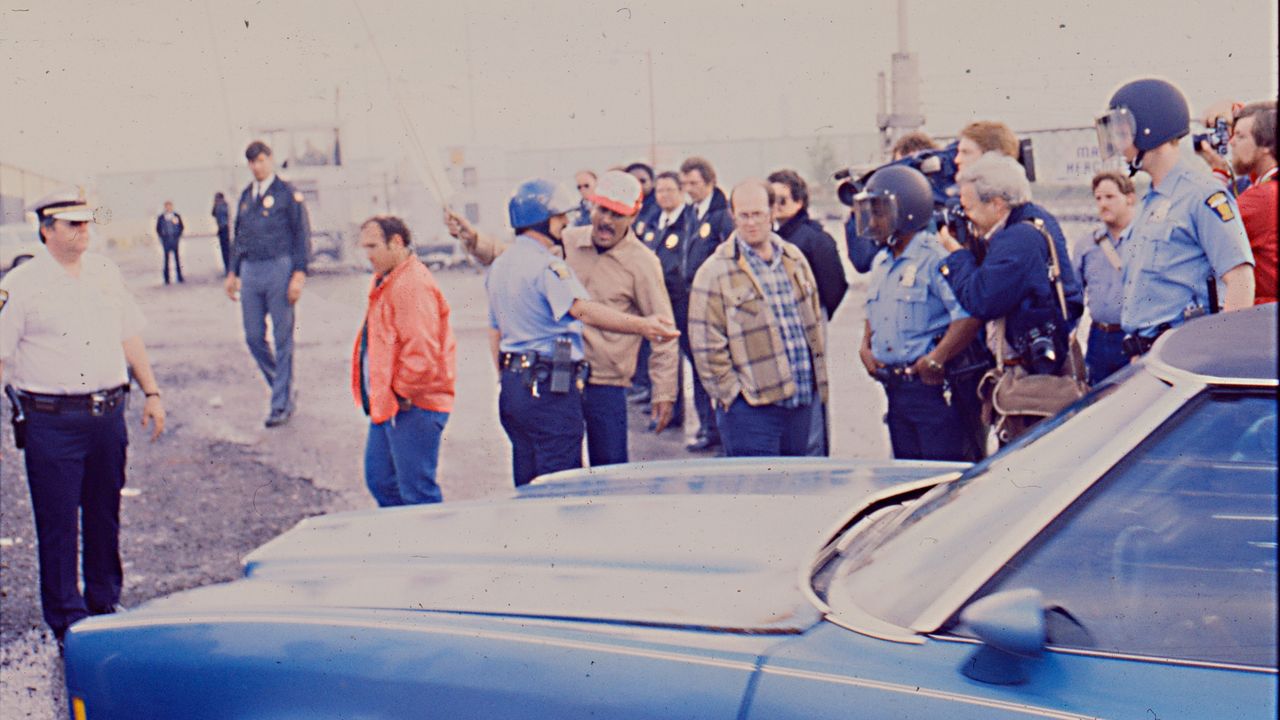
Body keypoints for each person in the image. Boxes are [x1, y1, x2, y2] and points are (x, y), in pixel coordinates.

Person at [0, 189, 166, 653]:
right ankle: (66, 620)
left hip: (106, 416)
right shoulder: (22, 284)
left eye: (87, 223)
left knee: (104, 514)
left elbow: (129, 336)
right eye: (72, 224)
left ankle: (103, 603)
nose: (83, 231)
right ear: (46, 230)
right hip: (51, 421)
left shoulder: (105, 273)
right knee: (57, 523)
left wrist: (152, 392)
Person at [483, 178, 678, 486]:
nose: (606, 220)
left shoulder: (643, 263)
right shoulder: (563, 246)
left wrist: (664, 390)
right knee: (560, 475)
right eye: (602, 210)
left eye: (617, 214)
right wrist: (643, 325)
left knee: (608, 474)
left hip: (603, 383)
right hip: (558, 381)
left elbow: (664, 329)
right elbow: (580, 308)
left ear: (633, 216)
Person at [1094, 78, 1255, 358]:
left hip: (1184, 356)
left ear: (1150, 130)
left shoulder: (1202, 195)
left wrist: (1221, 355)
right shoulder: (1150, 202)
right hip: (1147, 356)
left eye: (1123, 133)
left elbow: (1241, 280)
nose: (1119, 145)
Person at [938, 152, 1084, 443]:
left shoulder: (1019, 239)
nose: (965, 217)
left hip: (1030, 380)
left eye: (968, 208)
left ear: (997, 203)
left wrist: (955, 254)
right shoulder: (1033, 221)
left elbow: (981, 298)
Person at [688, 180, 828, 457]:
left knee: (796, 480)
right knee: (757, 482)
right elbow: (705, 344)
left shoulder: (794, 258)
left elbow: (813, 320)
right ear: (733, 216)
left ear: (772, 212)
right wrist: (732, 394)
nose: (751, 223)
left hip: (800, 403)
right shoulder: (714, 272)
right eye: (744, 215)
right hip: (751, 412)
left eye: (758, 214)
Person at [853, 166, 980, 461]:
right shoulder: (882, 261)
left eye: (880, 212)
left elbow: (967, 315)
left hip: (930, 391)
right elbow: (876, 308)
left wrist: (937, 357)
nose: (873, 222)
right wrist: (866, 345)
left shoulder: (934, 258)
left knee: (941, 474)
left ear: (907, 211)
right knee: (907, 474)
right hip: (895, 389)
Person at [351, 215, 455, 507]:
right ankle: (404, 535)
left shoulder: (412, 284)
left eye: (373, 246)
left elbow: (422, 351)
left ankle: (427, 537)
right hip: (393, 405)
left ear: (396, 242)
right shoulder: (388, 279)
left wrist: (402, 392)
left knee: (417, 492)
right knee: (381, 480)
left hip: (412, 406)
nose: (367, 255)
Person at [224, 140, 311, 428]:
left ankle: (280, 404)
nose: (257, 166)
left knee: (282, 337)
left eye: (261, 160)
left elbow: (301, 234)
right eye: (252, 162)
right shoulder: (247, 196)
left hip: (279, 267)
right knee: (253, 336)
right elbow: (239, 237)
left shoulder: (287, 193)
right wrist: (232, 272)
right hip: (251, 269)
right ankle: (282, 388)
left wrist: (299, 273)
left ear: (271, 160)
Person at [767, 168, 847, 456]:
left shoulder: (813, 238)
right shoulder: (775, 237)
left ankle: (814, 454)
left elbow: (835, 285)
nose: (776, 206)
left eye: (782, 200)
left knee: (812, 390)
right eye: (771, 200)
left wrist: (817, 316)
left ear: (799, 201)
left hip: (809, 322)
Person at [678, 156, 735, 452]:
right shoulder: (692, 212)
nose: (689, 189)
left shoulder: (721, 215)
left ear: (710, 182)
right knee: (698, 366)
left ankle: (723, 430)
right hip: (691, 299)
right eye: (685, 183)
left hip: (714, 302)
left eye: (694, 183)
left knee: (717, 367)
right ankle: (707, 426)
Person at [1073, 171, 1137, 383]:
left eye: (1110, 197)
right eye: (1098, 198)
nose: (1103, 204)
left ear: (1129, 198)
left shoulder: (1145, 240)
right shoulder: (1087, 245)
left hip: (1136, 337)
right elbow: (1073, 294)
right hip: (1099, 337)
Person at [1227, 101, 1277, 304]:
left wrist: (1218, 174)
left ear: (1266, 146)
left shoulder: (1262, 197)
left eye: (1240, 136)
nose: (1231, 142)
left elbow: (1208, 229)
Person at [155, 200, 184, 285]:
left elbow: (181, 227)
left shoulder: (176, 216)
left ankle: (179, 277)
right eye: (167, 206)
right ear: (165, 207)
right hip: (166, 242)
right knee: (166, 260)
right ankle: (166, 279)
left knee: (177, 260)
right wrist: (163, 237)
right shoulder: (161, 217)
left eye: (170, 206)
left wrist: (177, 236)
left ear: (172, 206)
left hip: (175, 241)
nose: (168, 208)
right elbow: (158, 229)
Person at [212, 192, 232, 275]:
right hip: (222, 229)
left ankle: (229, 269)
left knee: (226, 251)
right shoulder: (220, 205)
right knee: (225, 251)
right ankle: (228, 269)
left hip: (224, 229)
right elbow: (213, 213)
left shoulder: (222, 206)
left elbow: (219, 214)